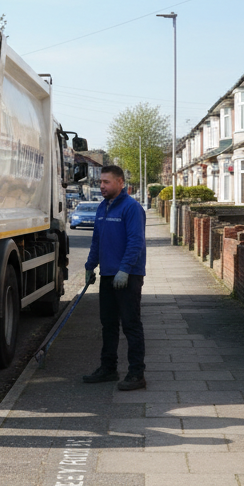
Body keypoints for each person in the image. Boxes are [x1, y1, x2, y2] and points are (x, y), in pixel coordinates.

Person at [82, 164, 148, 391]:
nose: (102, 186)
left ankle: (137, 373)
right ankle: (108, 368)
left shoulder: (131, 208)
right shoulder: (102, 208)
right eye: (100, 182)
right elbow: (97, 241)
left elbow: (136, 241)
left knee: (131, 324)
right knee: (108, 324)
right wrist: (90, 266)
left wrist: (125, 269)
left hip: (128, 276)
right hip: (108, 275)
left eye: (106, 182)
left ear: (121, 183)